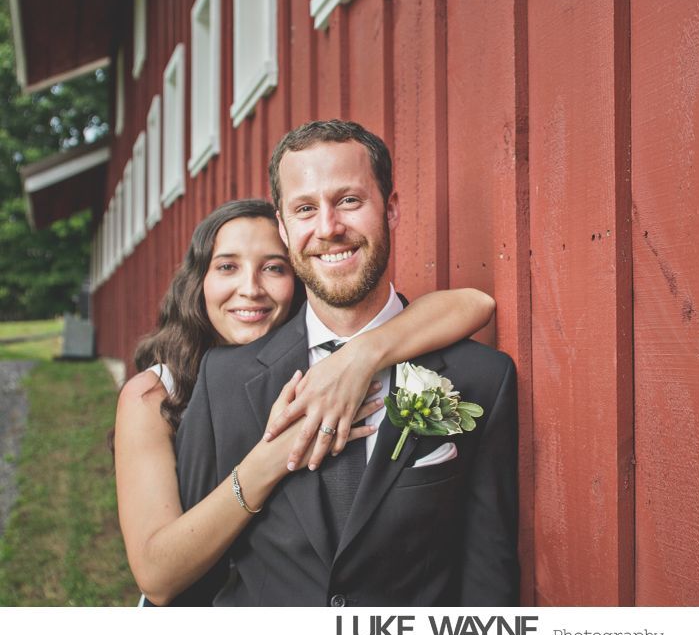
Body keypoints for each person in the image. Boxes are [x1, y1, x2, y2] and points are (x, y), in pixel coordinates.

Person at [175, 119, 519, 606]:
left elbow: (488, 578)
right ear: (283, 226)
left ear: (391, 209)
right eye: (305, 209)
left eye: (349, 201)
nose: (329, 228)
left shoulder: (482, 378)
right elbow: (197, 580)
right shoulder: (224, 380)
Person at [114, 199, 495, 606]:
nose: (251, 288)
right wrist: (272, 458)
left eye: (274, 268)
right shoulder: (153, 394)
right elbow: (157, 577)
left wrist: (360, 354)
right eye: (227, 267)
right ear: (198, 280)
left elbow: (475, 304)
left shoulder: (322, 368)